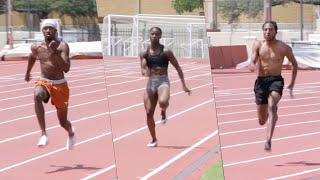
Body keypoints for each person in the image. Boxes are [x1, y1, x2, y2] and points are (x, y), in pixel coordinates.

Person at [24, 19, 75, 150]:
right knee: (37, 95)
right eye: (45, 28)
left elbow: (66, 68)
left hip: (60, 85)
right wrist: (27, 72)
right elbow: (32, 56)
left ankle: (70, 132)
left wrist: (55, 52)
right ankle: (43, 134)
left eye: (50, 28)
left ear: (55, 30)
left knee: (63, 122)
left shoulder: (62, 46)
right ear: (42, 31)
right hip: (44, 81)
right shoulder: (37, 47)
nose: (47, 30)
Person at [248, 21, 298, 151]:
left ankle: (268, 140)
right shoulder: (258, 45)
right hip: (261, 82)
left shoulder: (284, 48)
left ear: (276, 31)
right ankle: (273, 113)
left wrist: (292, 83)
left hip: (276, 80)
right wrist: (252, 65)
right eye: (265, 29)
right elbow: (252, 60)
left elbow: (294, 63)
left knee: (271, 103)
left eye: (270, 29)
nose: (267, 32)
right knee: (262, 120)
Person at [139, 27, 191, 147]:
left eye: (157, 34)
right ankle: (154, 139)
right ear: (149, 35)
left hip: (163, 81)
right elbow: (142, 68)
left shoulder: (166, 51)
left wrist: (184, 85)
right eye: (152, 34)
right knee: (148, 113)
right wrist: (144, 70)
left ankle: (163, 112)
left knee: (163, 102)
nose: (154, 36)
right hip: (151, 82)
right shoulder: (144, 53)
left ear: (160, 36)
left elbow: (177, 67)